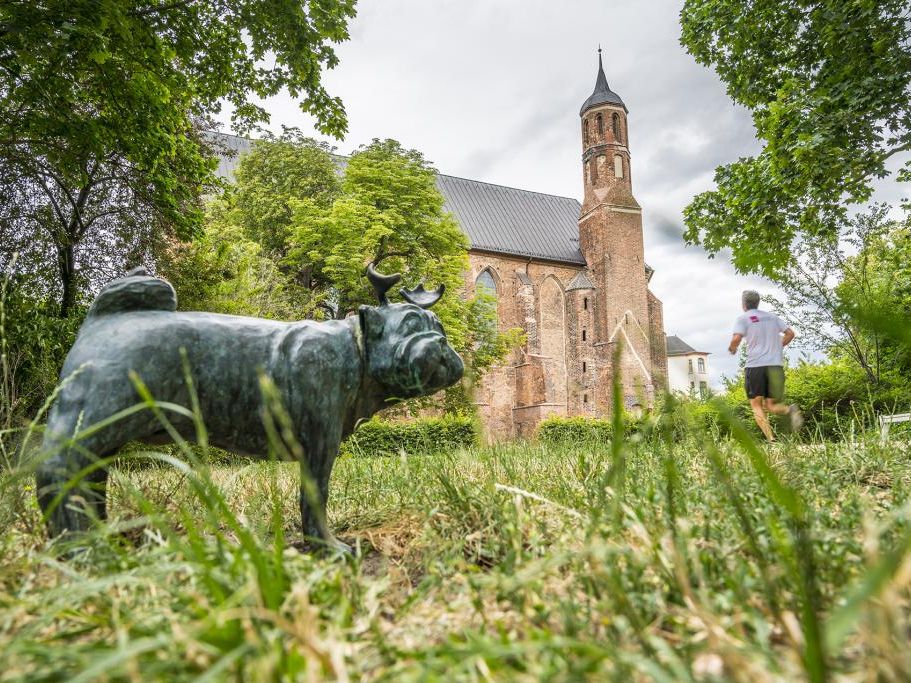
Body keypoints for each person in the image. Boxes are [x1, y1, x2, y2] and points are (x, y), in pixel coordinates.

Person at [728, 290, 803, 442]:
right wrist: (778, 347)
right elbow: (790, 334)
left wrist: (733, 348)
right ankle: (789, 410)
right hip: (775, 366)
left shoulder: (743, 318)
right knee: (771, 405)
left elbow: (736, 338)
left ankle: (771, 439)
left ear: (744, 304)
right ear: (758, 302)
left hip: (756, 366)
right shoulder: (772, 317)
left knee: (756, 405)